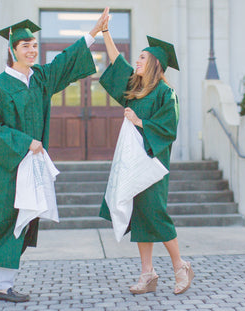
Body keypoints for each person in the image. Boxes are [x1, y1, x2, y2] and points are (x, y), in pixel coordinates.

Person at [0, 10, 109, 304]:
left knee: (19, 223)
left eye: (34, 45)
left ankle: (2, 286)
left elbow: (65, 61)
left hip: (30, 169)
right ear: (12, 50)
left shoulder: (41, 79)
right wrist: (25, 142)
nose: (32, 50)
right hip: (3, 170)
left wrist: (93, 32)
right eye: (26, 46)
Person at [99, 16, 194, 295]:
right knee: (140, 215)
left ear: (155, 63)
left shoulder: (166, 93)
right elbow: (117, 63)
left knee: (155, 213)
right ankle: (147, 274)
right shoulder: (136, 90)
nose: (137, 61)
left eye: (142, 58)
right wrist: (105, 32)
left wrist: (140, 122)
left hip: (153, 163)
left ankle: (180, 266)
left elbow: (168, 129)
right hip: (132, 163)